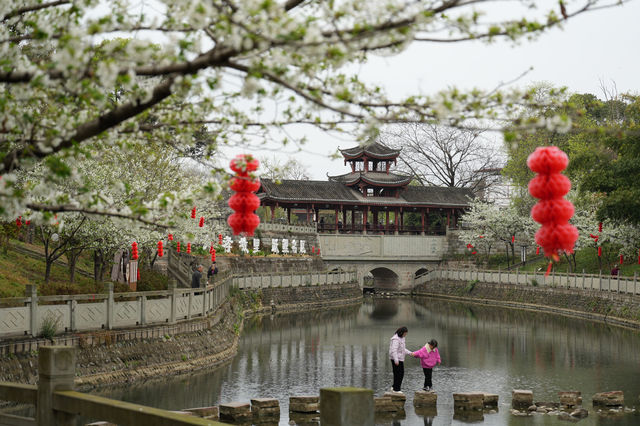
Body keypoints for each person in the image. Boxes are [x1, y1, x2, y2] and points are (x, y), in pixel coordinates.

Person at [388, 326, 412, 393]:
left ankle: (394, 387)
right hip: (396, 358)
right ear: (401, 332)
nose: (405, 335)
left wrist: (410, 353)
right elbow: (394, 350)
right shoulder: (395, 339)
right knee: (400, 373)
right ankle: (397, 389)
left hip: (400, 358)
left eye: (406, 334)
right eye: (405, 334)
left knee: (397, 373)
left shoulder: (402, 338)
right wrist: (396, 360)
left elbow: (403, 349)